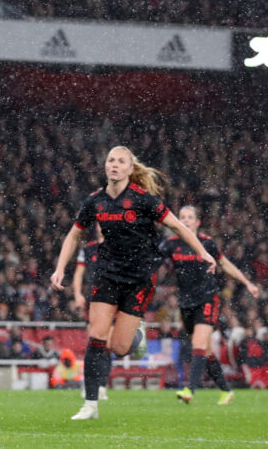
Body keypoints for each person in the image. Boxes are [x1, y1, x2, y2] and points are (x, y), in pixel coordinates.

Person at [50, 146, 216, 420]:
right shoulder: (95, 201)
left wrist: (202, 251)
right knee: (96, 337)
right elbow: (73, 235)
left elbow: (176, 226)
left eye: (120, 161)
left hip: (140, 279)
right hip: (107, 275)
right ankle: (90, 404)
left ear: (130, 169)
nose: (114, 165)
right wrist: (59, 269)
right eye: (110, 160)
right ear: (105, 166)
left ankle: (136, 334)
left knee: (119, 348)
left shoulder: (143, 199)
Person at [161, 205, 260, 405]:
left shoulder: (207, 243)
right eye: (182, 217)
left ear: (197, 222)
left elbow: (225, 264)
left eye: (190, 217)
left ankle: (189, 390)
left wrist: (247, 283)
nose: (186, 220)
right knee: (204, 350)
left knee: (198, 345)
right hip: (185, 303)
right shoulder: (170, 245)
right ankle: (226, 391)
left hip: (207, 299)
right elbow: (154, 265)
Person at [72, 225, 109, 400]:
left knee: (107, 345)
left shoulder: (117, 246)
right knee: (95, 344)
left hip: (112, 299)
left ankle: (101, 384)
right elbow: (79, 273)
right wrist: (77, 294)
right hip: (93, 300)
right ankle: (94, 385)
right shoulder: (88, 249)